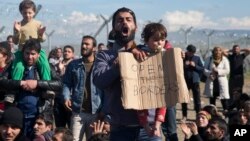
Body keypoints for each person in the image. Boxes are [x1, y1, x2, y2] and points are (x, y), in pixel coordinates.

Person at [93, 7, 149, 141]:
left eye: (128, 20)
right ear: (113, 28)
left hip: (148, 129)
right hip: (120, 127)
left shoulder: (147, 53)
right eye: (120, 20)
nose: (124, 23)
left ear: (135, 27)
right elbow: (99, 81)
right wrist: (117, 66)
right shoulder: (104, 56)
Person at [1, 39, 62, 138]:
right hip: (17, 117)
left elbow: (59, 84)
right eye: (27, 53)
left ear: (38, 54)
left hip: (38, 116)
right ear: (23, 53)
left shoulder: (45, 67)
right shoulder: (15, 66)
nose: (29, 57)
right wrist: (20, 83)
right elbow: (2, 81)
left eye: (33, 54)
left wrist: (37, 83)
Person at [62, 35, 103, 141]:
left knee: (94, 139)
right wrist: (66, 97)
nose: (83, 46)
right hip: (78, 111)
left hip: (96, 113)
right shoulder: (73, 65)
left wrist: (104, 110)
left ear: (94, 48)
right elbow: (66, 83)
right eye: (82, 44)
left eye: (87, 44)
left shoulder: (100, 65)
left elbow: (106, 88)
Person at [135, 23, 167, 141]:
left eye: (162, 40)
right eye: (156, 40)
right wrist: (145, 125)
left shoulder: (166, 56)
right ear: (146, 40)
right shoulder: (139, 54)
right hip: (139, 122)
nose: (159, 43)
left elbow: (164, 100)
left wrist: (157, 124)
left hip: (155, 123)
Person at [12, 0, 51, 81]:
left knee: (44, 64)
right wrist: (16, 32)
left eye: (30, 12)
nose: (27, 15)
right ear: (21, 12)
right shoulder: (19, 25)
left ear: (34, 12)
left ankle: (47, 85)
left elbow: (43, 40)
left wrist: (41, 34)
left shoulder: (37, 24)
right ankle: (14, 88)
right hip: (22, 50)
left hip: (36, 50)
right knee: (18, 67)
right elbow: (15, 42)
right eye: (25, 13)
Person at [203, 46, 230, 112]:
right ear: (213, 51)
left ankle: (226, 113)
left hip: (221, 81)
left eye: (219, 50)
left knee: (224, 99)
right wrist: (210, 74)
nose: (217, 52)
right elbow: (204, 69)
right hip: (212, 80)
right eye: (216, 50)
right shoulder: (208, 59)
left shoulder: (224, 59)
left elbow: (227, 70)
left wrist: (218, 71)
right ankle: (213, 114)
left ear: (221, 52)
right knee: (212, 99)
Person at [53, 45, 74, 128]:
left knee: (71, 126)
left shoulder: (75, 66)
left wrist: (62, 71)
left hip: (70, 99)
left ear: (72, 54)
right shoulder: (57, 65)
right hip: (58, 98)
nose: (66, 53)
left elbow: (69, 81)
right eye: (65, 51)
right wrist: (59, 70)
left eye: (69, 52)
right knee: (59, 126)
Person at [182, 44, 204, 120]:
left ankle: (198, 115)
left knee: (197, 99)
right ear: (187, 51)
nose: (191, 54)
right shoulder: (182, 58)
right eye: (190, 52)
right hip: (185, 82)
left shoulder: (197, 58)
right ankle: (184, 116)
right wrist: (184, 65)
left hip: (195, 81)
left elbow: (202, 69)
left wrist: (195, 66)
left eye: (193, 52)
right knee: (184, 99)